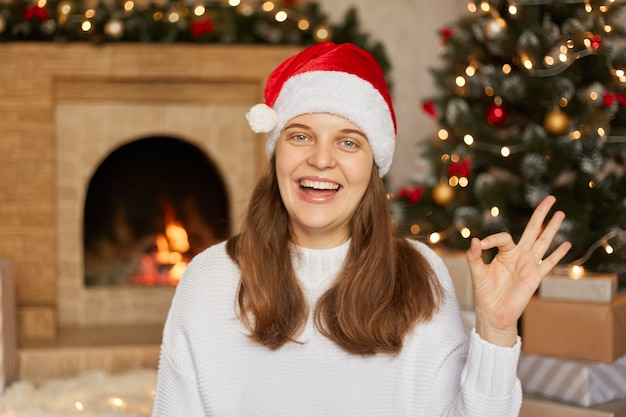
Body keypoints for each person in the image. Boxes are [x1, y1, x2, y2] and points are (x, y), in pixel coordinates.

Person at [151, 42, 571, 416]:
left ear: (373, 165)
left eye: (348, 141)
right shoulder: (209, 279)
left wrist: (496, 333)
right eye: (300, 136)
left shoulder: (422, 275)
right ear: (276, 152)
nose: (321, 159)